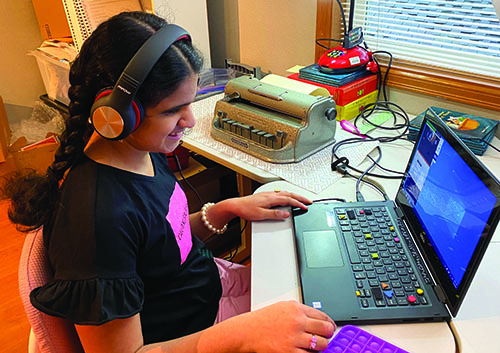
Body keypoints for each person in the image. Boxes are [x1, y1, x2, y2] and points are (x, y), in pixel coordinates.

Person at [2, 11, 336, 353]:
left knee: (329, 294)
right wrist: (244, 334)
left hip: (206, 300)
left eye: (189, 103)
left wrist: (224, 210)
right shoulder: (98, 222)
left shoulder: (140, 150)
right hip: (195, 336)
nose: (189, 121)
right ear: (117, 114)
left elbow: (161, 242)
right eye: (171, 111)